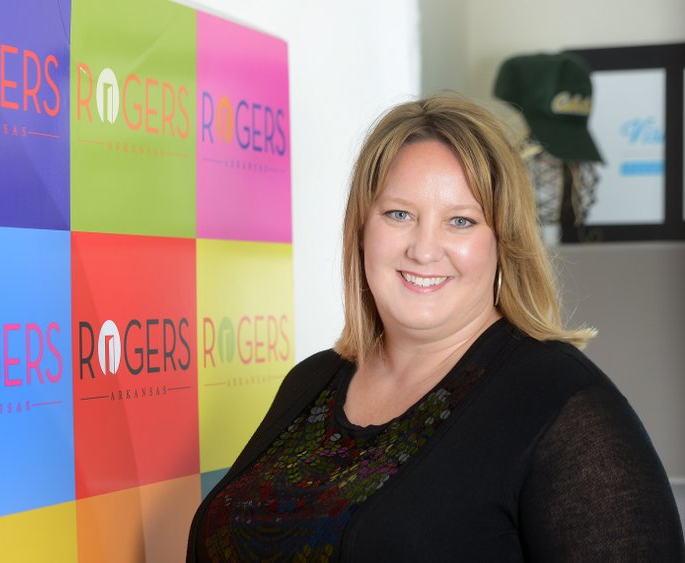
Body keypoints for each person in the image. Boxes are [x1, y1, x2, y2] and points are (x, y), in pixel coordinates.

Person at [187, 95, 685, 561]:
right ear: (362, 229)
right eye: (399, 214)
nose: (424, 249)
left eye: (461, 221)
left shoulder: (562, 402)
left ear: (503, 242)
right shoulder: (310, 383)